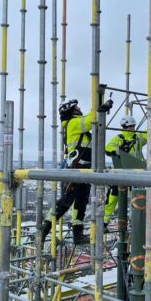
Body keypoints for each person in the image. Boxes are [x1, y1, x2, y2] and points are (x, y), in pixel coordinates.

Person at [41, 97, 113, 245]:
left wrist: (100, 108)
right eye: (77, 108)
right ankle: (43, 231)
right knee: (65, 203)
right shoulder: (73, 123)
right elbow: (90, 119)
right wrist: (100, 107)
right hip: (77, 168)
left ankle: (77, 235)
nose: (79, 110)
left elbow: (90, 119)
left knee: (80, 203)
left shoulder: (74, 124)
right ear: (71, 110)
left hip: (84, 169)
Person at [103, 116, 146, 227]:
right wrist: (119, 150)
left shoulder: (138, 138)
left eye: (132, 126)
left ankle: (136, 222)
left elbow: (148, 134)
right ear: (125, 127)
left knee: (136, 198)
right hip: (122, 171)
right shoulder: (119, 138)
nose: (132, 128)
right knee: (113, 197)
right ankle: (104, 222)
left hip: (135, 172)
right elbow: (108, 149)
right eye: (130, 126)